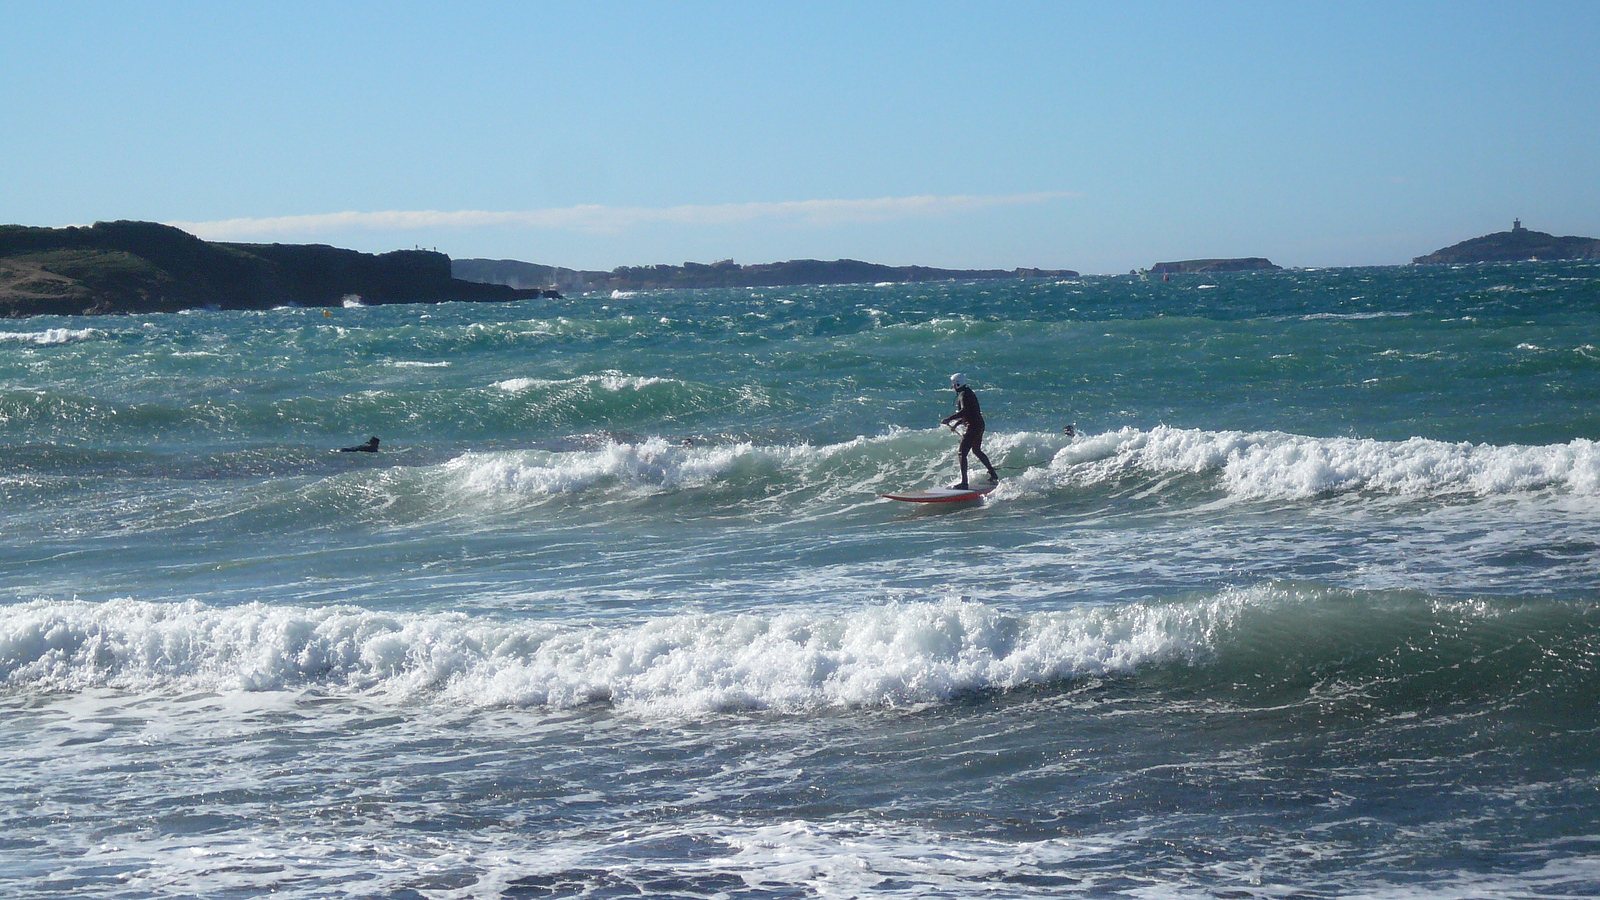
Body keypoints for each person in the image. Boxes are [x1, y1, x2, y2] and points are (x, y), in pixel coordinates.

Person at [939, 373, 998, 489]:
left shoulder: (963, 395)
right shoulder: (968, 393)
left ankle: (964, 483)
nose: (952, 386)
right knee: (976, 450)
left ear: (957, 384)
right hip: (979, 425)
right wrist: (956, 424)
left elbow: (964, 411)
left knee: (962, 453)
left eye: (953, 384)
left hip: (973, 427)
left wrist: (949, 419)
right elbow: (970, 413)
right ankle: (993, 474)